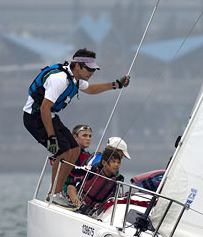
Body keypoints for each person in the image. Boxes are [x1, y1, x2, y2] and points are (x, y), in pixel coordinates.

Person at [23, 48, 130, 207]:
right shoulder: (59, 79)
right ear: (78, 66)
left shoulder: (76, 79)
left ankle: (58, 192)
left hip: (50, 116)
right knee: (63, 151)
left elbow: (92, 89)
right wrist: (52, 137)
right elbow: (44, 108)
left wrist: (116, 85)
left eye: (93, 69)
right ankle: (55, 193)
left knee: (74, 149)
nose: (91, 72)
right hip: (35, 117)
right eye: (89, 69)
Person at [67, 147, 124, 213]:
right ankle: (79, 205)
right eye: (113, 162)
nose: (116, 165)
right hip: (81, 199)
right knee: (71, 187)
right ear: (104, 162)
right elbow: (74, 170)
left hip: (95, 207)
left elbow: (111, 197)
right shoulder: (94, 170)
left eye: (118, 162)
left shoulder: (114, 181)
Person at [62, 124, 93, 196]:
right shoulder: (69, 151)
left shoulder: (87, 155)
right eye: (84, 135)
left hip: (82, 191)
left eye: (90, 136)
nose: (88, 138)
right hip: (67, 190)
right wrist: (91, 169)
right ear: (75, 137)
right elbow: (73, 170)